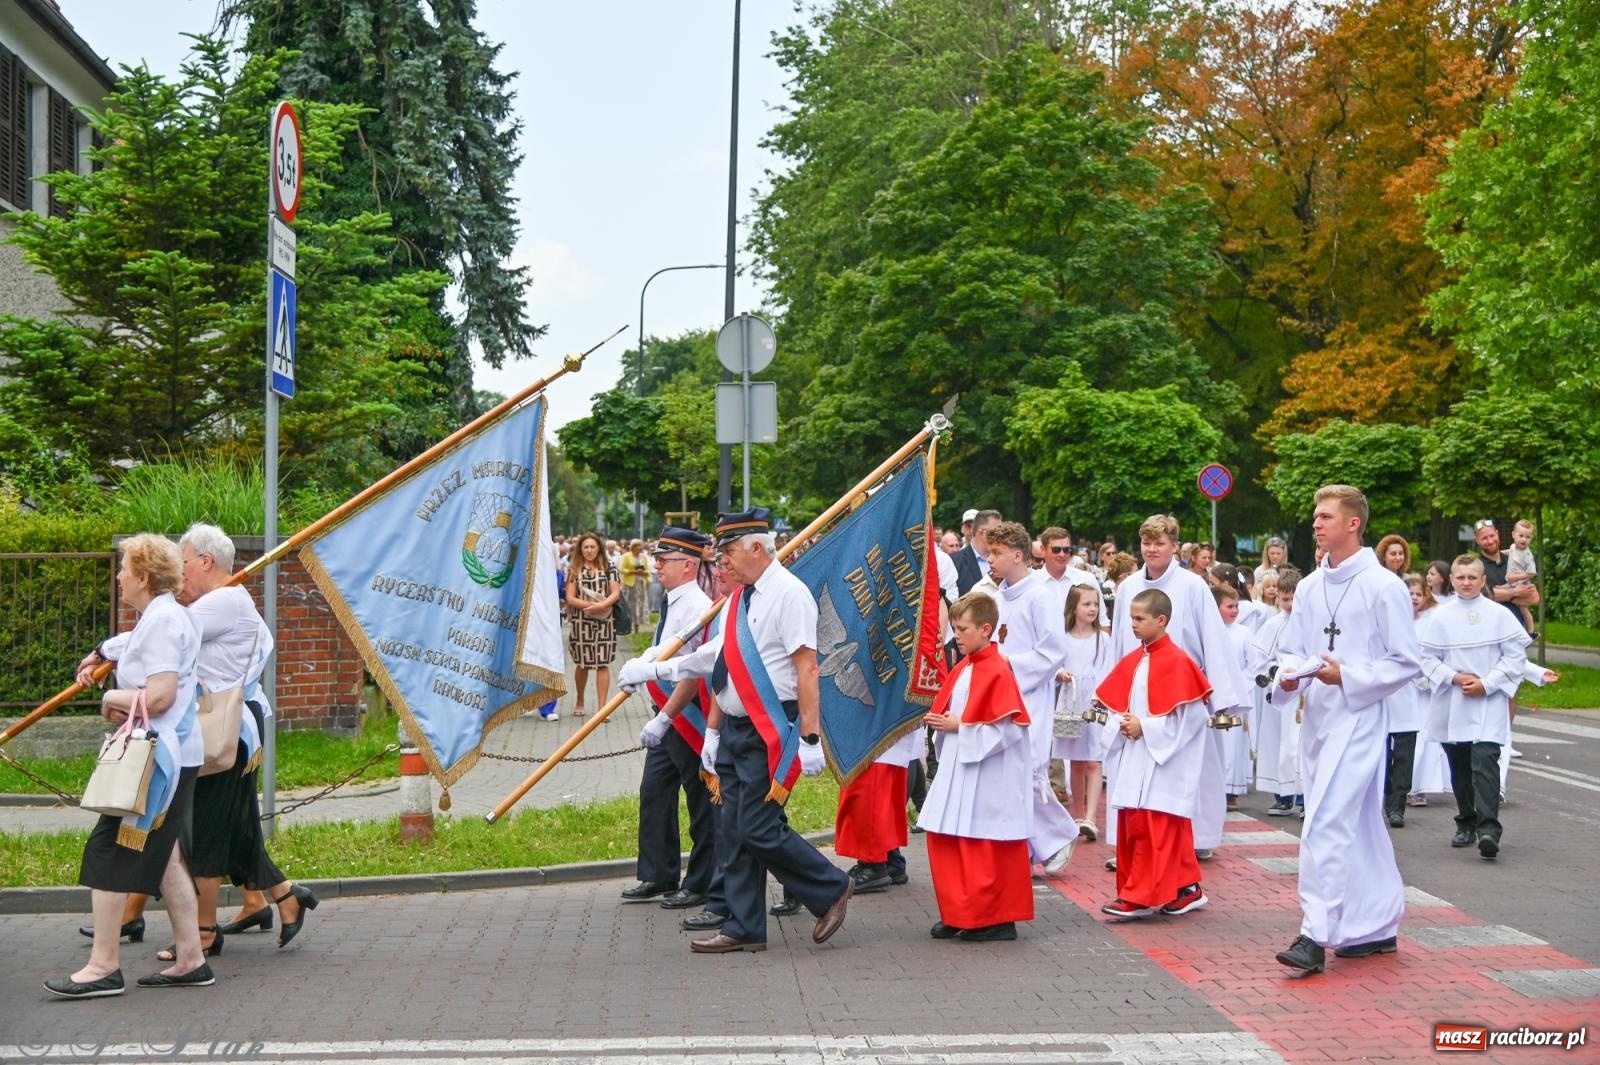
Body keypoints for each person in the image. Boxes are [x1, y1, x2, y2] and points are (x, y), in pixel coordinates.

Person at [617, 508, 852, 953]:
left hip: (771, 725)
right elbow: (716, 657)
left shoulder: (789, 595)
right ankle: (745, 926)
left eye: (728, 552)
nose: (722, 562)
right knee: (733, 827)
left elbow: (807, 668)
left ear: (756, 548)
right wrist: (655, 667)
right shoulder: (742, 597)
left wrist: (810, 738)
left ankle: (830, 887)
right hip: (737, 727)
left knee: (759, 827)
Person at [85, 525, 318, 957]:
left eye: (184, 560)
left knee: (208, 828)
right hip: (222, 726)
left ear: (205, 563)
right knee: (238, 828)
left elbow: (166, 634)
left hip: (227, 730)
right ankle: (276, 899)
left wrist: (104, 649)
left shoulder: (224, 601)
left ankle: (204, 932)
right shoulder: (220, 602)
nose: (179, 570)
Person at [48, 535, 208, 998]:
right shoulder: (166, 615)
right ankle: (191, 958)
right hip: (176, 754)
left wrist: (109, 698)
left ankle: (103, 967)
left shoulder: (161, 622)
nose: (118, 576)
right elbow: (132, 643)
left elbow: (160, 696)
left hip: (156, 759)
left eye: (123, 569)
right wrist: (103, 651)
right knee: (167, 859)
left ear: (142, 577)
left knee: (107, 852)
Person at [1272, 485, 1422, 976]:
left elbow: (1405, 661)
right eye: (1315, 516)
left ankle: (1315, 934)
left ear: (1353, 523)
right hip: (1318, 717)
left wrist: (1350, 677)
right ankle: (1375, 926)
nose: (1315, 523)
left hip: (1359, 717)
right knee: (1358, 826)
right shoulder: (1313, 586)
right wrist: (1290, 674)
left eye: (1325, 516)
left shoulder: (1384, 586)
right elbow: (1293, 648)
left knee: (1324, 823)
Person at [1109, 516, 1244, 866]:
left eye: (1160, 543)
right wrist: (1113, 690)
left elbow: (1213, 639)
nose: (1152, 549)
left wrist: (1221, 699)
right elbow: (1119, 644)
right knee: (1136, 766)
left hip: (1183, 691)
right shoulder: (1128, 588)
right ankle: (1136, 841)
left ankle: (1197, 838)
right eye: (1146, 542)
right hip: (1139, 691)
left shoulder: (1193, 586)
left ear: (1174, 546)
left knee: (1190, 768)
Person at [918, 592, 1035, 941]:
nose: (956, 635)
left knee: (984, 843)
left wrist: (961, 727)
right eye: (954, 628)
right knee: (947, 836)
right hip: (960, 764)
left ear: (986, 629)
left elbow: (1010, 727)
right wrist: (944, 724)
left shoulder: (998, 670)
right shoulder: (965, 666)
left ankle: (995, 918)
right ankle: (960, 912)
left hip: (989, 773)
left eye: (962, 629)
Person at [1096, 589, 1213, 919]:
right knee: (1144, 824)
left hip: (1166, 759)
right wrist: (1123, 724)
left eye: (1139, 619)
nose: (1132, 624)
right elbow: (1123, 705)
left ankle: (1141, 897)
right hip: (1139, 755)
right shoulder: (1137, 658)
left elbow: (1192, 717)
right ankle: (1185, 888)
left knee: (1155, 826)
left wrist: (1145, 727)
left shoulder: (1177, 661)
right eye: (1131, 618)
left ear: (1161, 621)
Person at [624, 526, 717, 908]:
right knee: (654, 792)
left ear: (689, 564)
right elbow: (664, 649)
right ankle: (658, 874)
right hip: (664, 715)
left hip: (685, 716)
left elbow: (693, 673)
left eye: (665, 559)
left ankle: (702, 881)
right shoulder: (672, 600)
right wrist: (641, 663)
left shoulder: (697, 606)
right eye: (657, 558)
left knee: (700, 800)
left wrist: (664, 718)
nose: (657, 564)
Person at [1417, 555, 1529, 860]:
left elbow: (1514, 657)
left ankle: (1489, 829)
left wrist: (1488, 684)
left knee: (1485, 763)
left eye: (1472, 577)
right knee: (1461, 767)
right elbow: (1426, 660)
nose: (1466, 582)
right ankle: (1466, 821)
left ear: (1483, 581)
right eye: (1461, 577)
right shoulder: (1439, 617)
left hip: (1488, 701)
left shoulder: (1499, 615)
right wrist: (1453, 678)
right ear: (1451, 579)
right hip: (1454, 701)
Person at [984, 520, 1079, 874]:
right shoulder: (998, 597)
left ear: (1018, 555)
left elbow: (1053, 651)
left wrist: (1009, 663)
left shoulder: (1039, 595)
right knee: (1011, 775)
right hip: (1004, 696)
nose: (990, 559)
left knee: (1031, 771)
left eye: (996, 553)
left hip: (1032, 695)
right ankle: (1025, 846)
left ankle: (1058, 835)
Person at [1054, 584, 1112, 840]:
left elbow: (1109, 669)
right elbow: (1053, 665)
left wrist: (1103, 694)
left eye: (1095, 604)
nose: (1092, 609)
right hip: (1071, 699)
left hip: (1095, 701)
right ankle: (1077, 815)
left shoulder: (1103, 638)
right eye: (1086, 604)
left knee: (1094, 759)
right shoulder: (1063, 637)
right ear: (1073, 608)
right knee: (1076, 761)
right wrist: (1060, 674)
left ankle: (1091, 816)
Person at [1250, 568, 1303, 817]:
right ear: (1277, 598)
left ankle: (1304, 796)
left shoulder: (1309, 622)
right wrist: (1275, 671)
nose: (1290, 604)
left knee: (1301, 745)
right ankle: (1282, 795)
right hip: (1280, 692)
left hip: (1304, 694)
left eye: (1294, 599)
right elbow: (1259, 658)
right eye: (1285, 599)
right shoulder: (1273, 624)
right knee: (1278, 743)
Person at [565, 532, 621, 717]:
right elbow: (570, 598)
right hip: (582, 623)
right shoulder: (574, 568)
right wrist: (591, 606)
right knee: (582, 664)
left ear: (599, 549)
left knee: (603, 663)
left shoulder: (609, 566)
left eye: (592, 547)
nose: (589, 550)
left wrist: (602, 605)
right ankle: (580, 699)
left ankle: (602, 708)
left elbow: (615, 593)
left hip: (604, 622)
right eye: (586, 547)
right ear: (581, 549)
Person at [1211, 583, 1253, 811]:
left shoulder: (1244, 633)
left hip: (1235, 699)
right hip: (1214, 695)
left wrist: (1239, 685)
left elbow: (1253, 666)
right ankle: (1214, 788)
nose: (1235, 610)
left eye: (1236, 606)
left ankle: (1231, 791)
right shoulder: (1209, 633)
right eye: (1229, 606)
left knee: (1234, 744)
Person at [1505, 519, 1539, 635]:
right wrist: (1500, 553)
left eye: (1528, 537)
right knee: (1500, 592)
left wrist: (1517, 577)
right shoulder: (1513, 546)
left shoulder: (1528, 555)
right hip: (1511, 582)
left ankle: (1531, 631)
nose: (1524, 539)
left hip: (1522, 584)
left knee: (1524, 609)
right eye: (1521, 536)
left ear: (1531, 538)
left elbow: (1532, 572)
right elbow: (1511, 551)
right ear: (1513, 535)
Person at [619, 538, 653, 634]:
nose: (641, 547)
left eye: (642, 545)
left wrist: (644, 572)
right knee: (630, 605)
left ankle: (638, 626)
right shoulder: (626, 556)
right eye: (639, 546)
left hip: (640, 584)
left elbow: (648, 569)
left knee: (640, 604)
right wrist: (632, 571)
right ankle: (629, 625)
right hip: (630, 585)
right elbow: (621, 569)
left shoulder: (643, 557)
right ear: (634, 547)